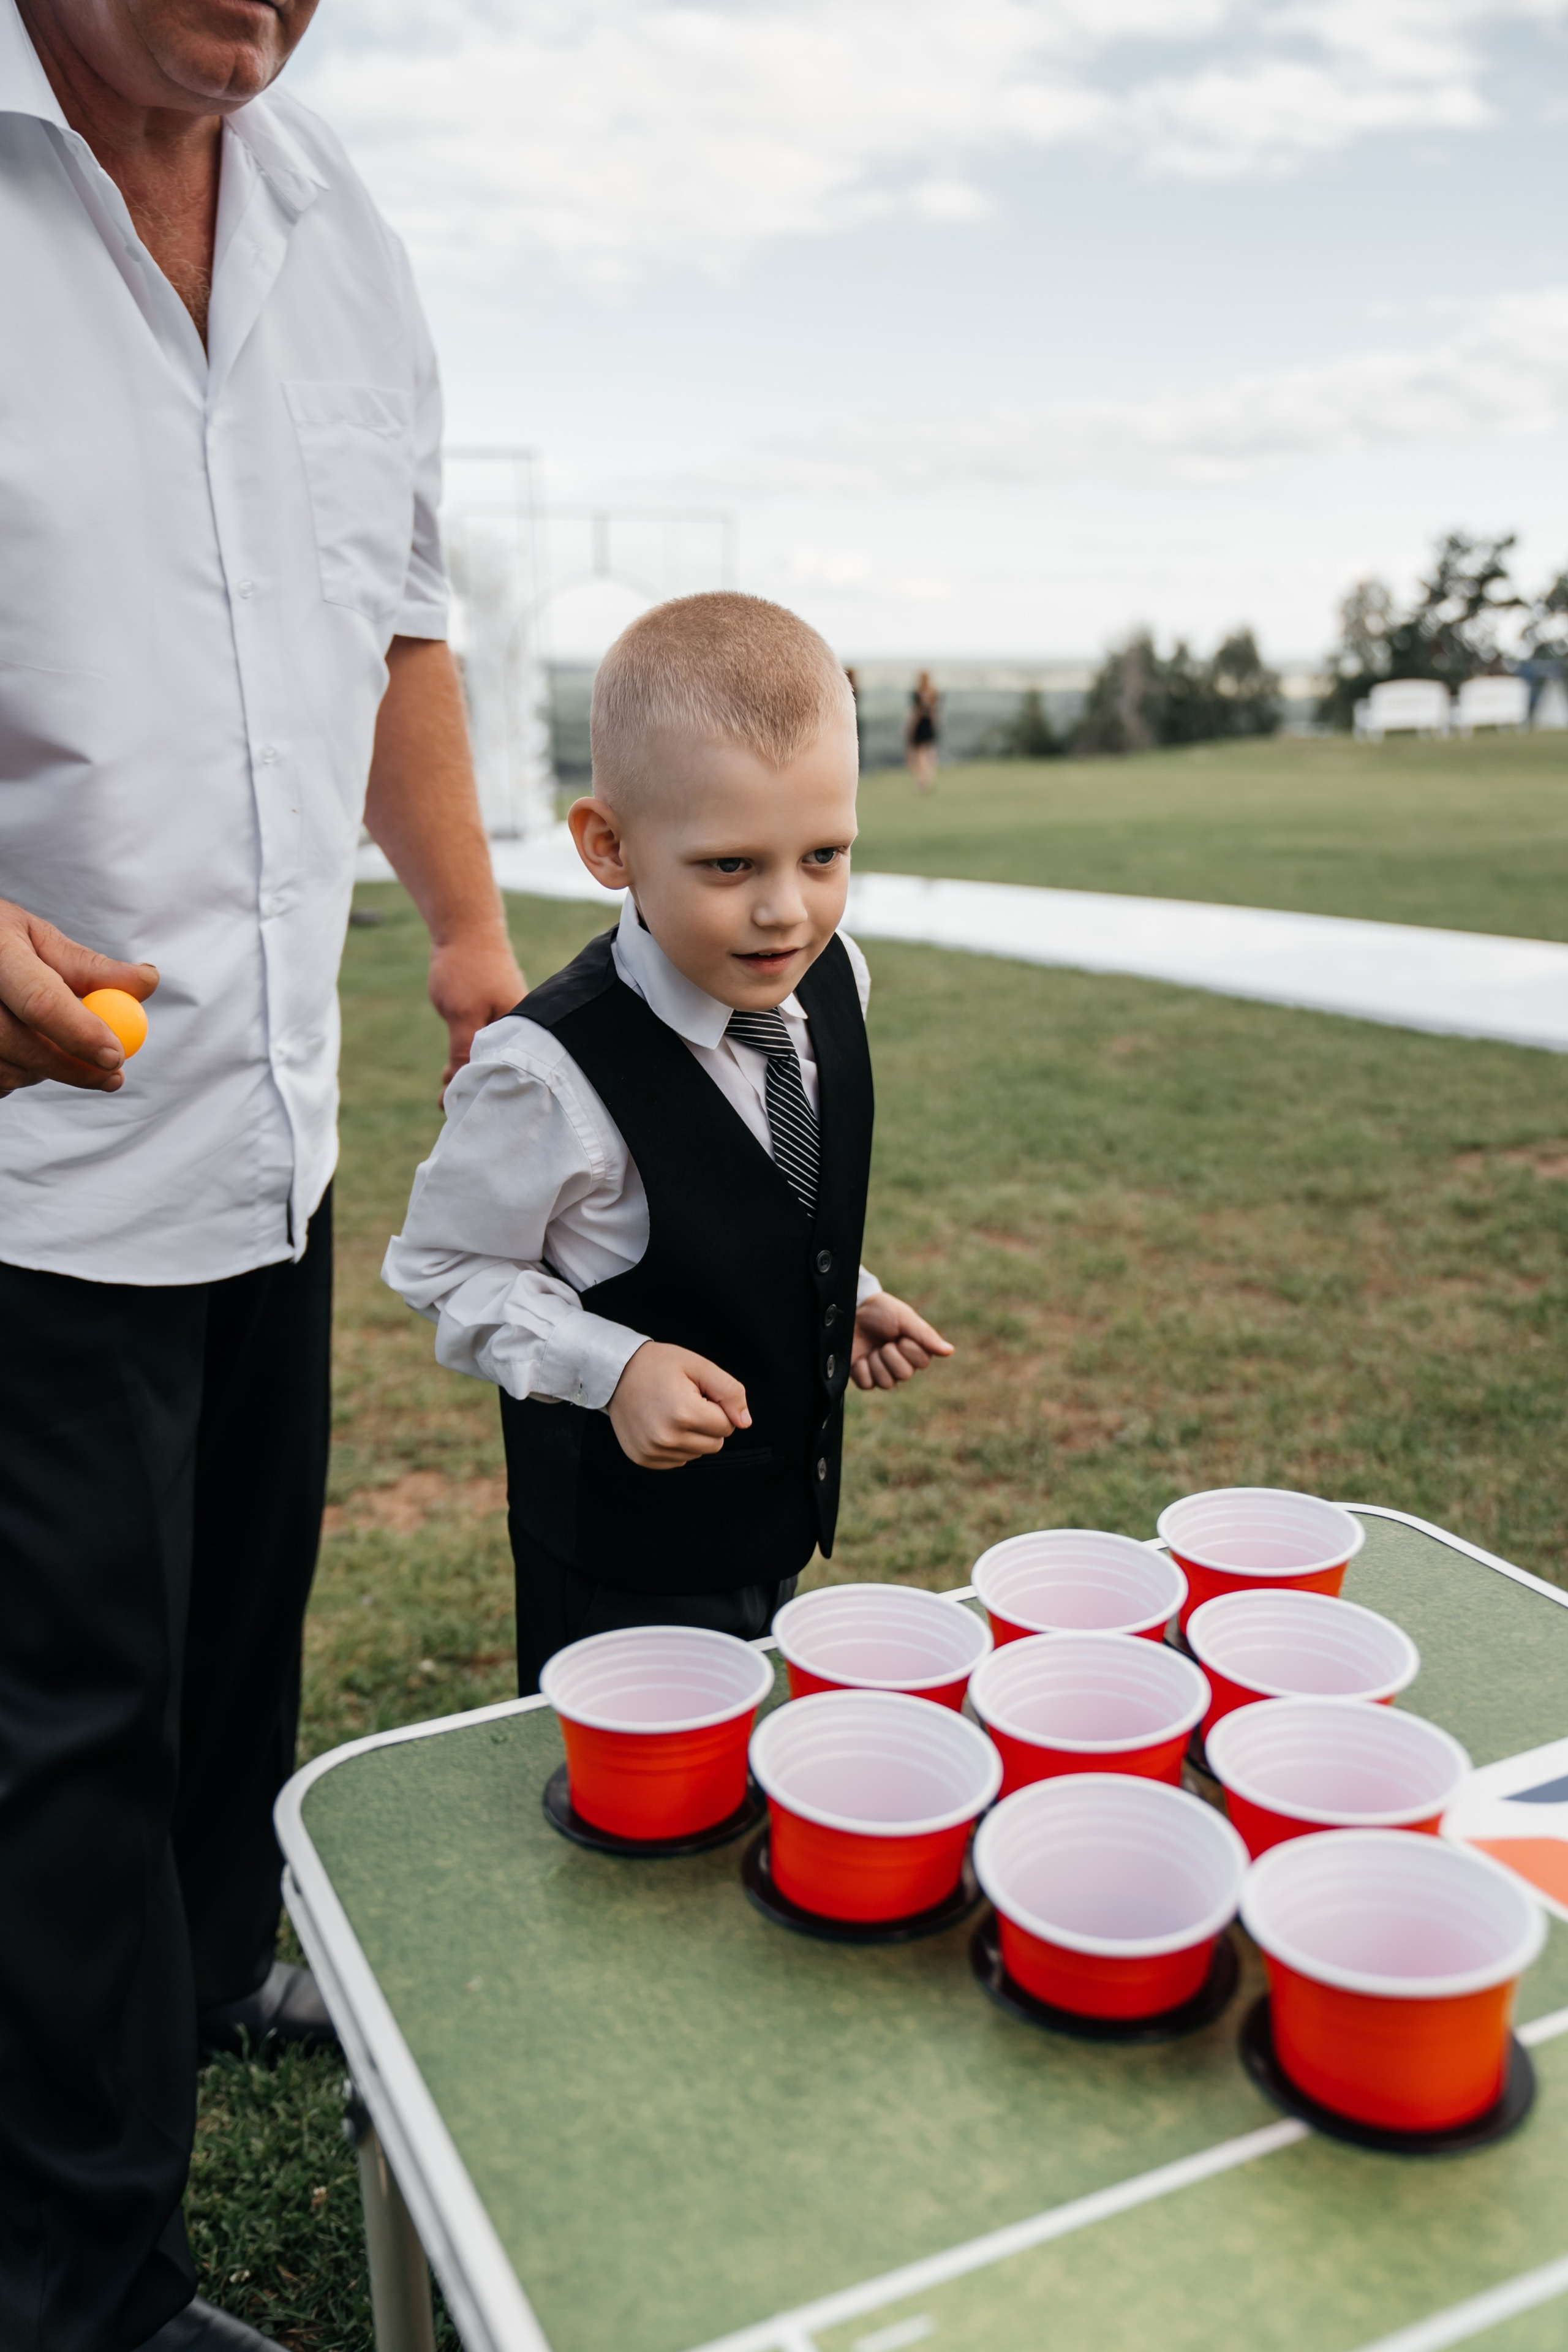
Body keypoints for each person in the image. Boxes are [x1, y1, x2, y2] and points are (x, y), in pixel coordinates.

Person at [0, 0, 524, 2346]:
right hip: (24, 1178)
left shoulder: (342, 232)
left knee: (226, 1647)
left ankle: (209, 1974)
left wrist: (474, 945)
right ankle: (79, 2282)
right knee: (61, 1736)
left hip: (267, 1136)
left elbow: (391, 612)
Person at [385, 595, 952, 1693]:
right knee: (629, 1826)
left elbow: (747, 1199)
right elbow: (442, 1266)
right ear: (610, 846)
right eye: (730, 866)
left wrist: (849, 1290)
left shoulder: (835, 985)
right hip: (620, 1562)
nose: (787, 912)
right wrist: (614, 1367)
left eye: (824, 854)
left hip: (769, 1523)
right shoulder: (546, 1074)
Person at [905, 669, 940, 791]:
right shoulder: (934, 693)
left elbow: (915, 714)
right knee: (929, 754)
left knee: (920, 755)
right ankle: (928, 779)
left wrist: (909, 729)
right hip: (929, 726)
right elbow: (935, 713)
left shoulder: (918, 693)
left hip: (920, 726)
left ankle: (921, 780)